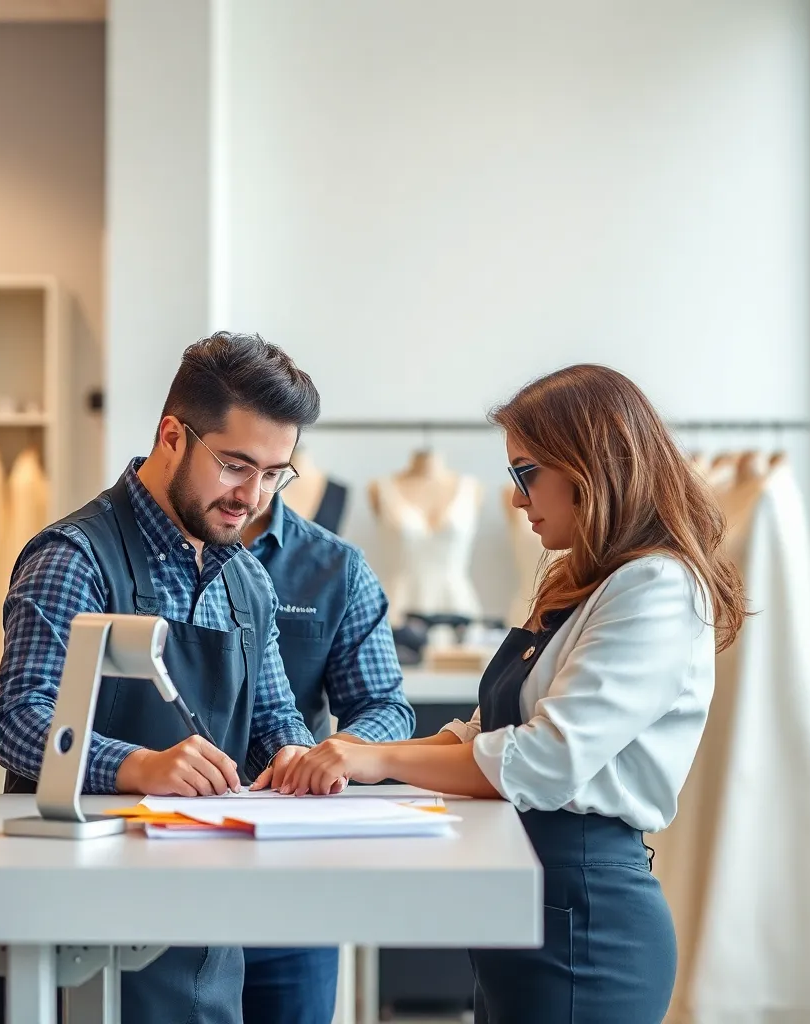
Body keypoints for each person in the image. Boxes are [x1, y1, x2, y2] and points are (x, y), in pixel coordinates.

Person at [282, 364, 748, 1023]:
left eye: (527, 474)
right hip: (530, 905)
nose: (519, 499)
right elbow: (484, 731)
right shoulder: (579, 582)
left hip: (587, 921)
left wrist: (375, 760)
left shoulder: (656, 587)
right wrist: (352, 752)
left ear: (591, 465)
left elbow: (545, 760)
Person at [0, 332, 330, 1024]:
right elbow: (20, 720)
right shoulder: (74, 557)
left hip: (201, 948)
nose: (252, 496)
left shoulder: (247, 579)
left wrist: (295, 755)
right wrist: (139, 766)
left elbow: (274, 719)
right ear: (173, 435)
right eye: (235, 465)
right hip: (71, 941)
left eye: (273, 474)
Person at [239, 479, 415, 1024]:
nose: (252, 487)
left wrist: (338, 752)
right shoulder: (135, 557)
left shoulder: (337, 568)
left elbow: (386, 706)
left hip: (291, 873)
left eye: (273, 470)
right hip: (163, 861)